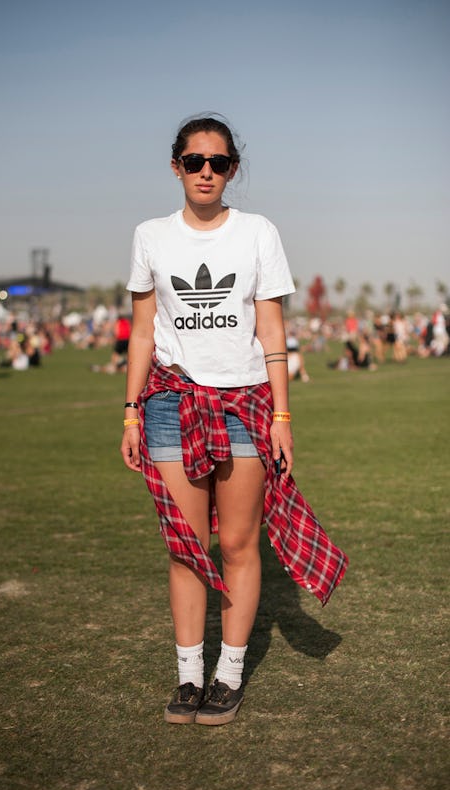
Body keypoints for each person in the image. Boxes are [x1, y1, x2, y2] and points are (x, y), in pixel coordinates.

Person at [120, 115, 347, 727]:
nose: (205, 173)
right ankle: (189, 675)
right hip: (170, 402)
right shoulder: (150, 236)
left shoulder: (257, 233)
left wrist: (282, 412)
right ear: (176, 166)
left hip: (245, 405)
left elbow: (272, 328)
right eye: (194, 161)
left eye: (218, 163)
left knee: (240, 544)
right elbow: (143, 331)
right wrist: (131, 411)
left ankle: (228, 674)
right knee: (186, 548)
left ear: (232, 170)